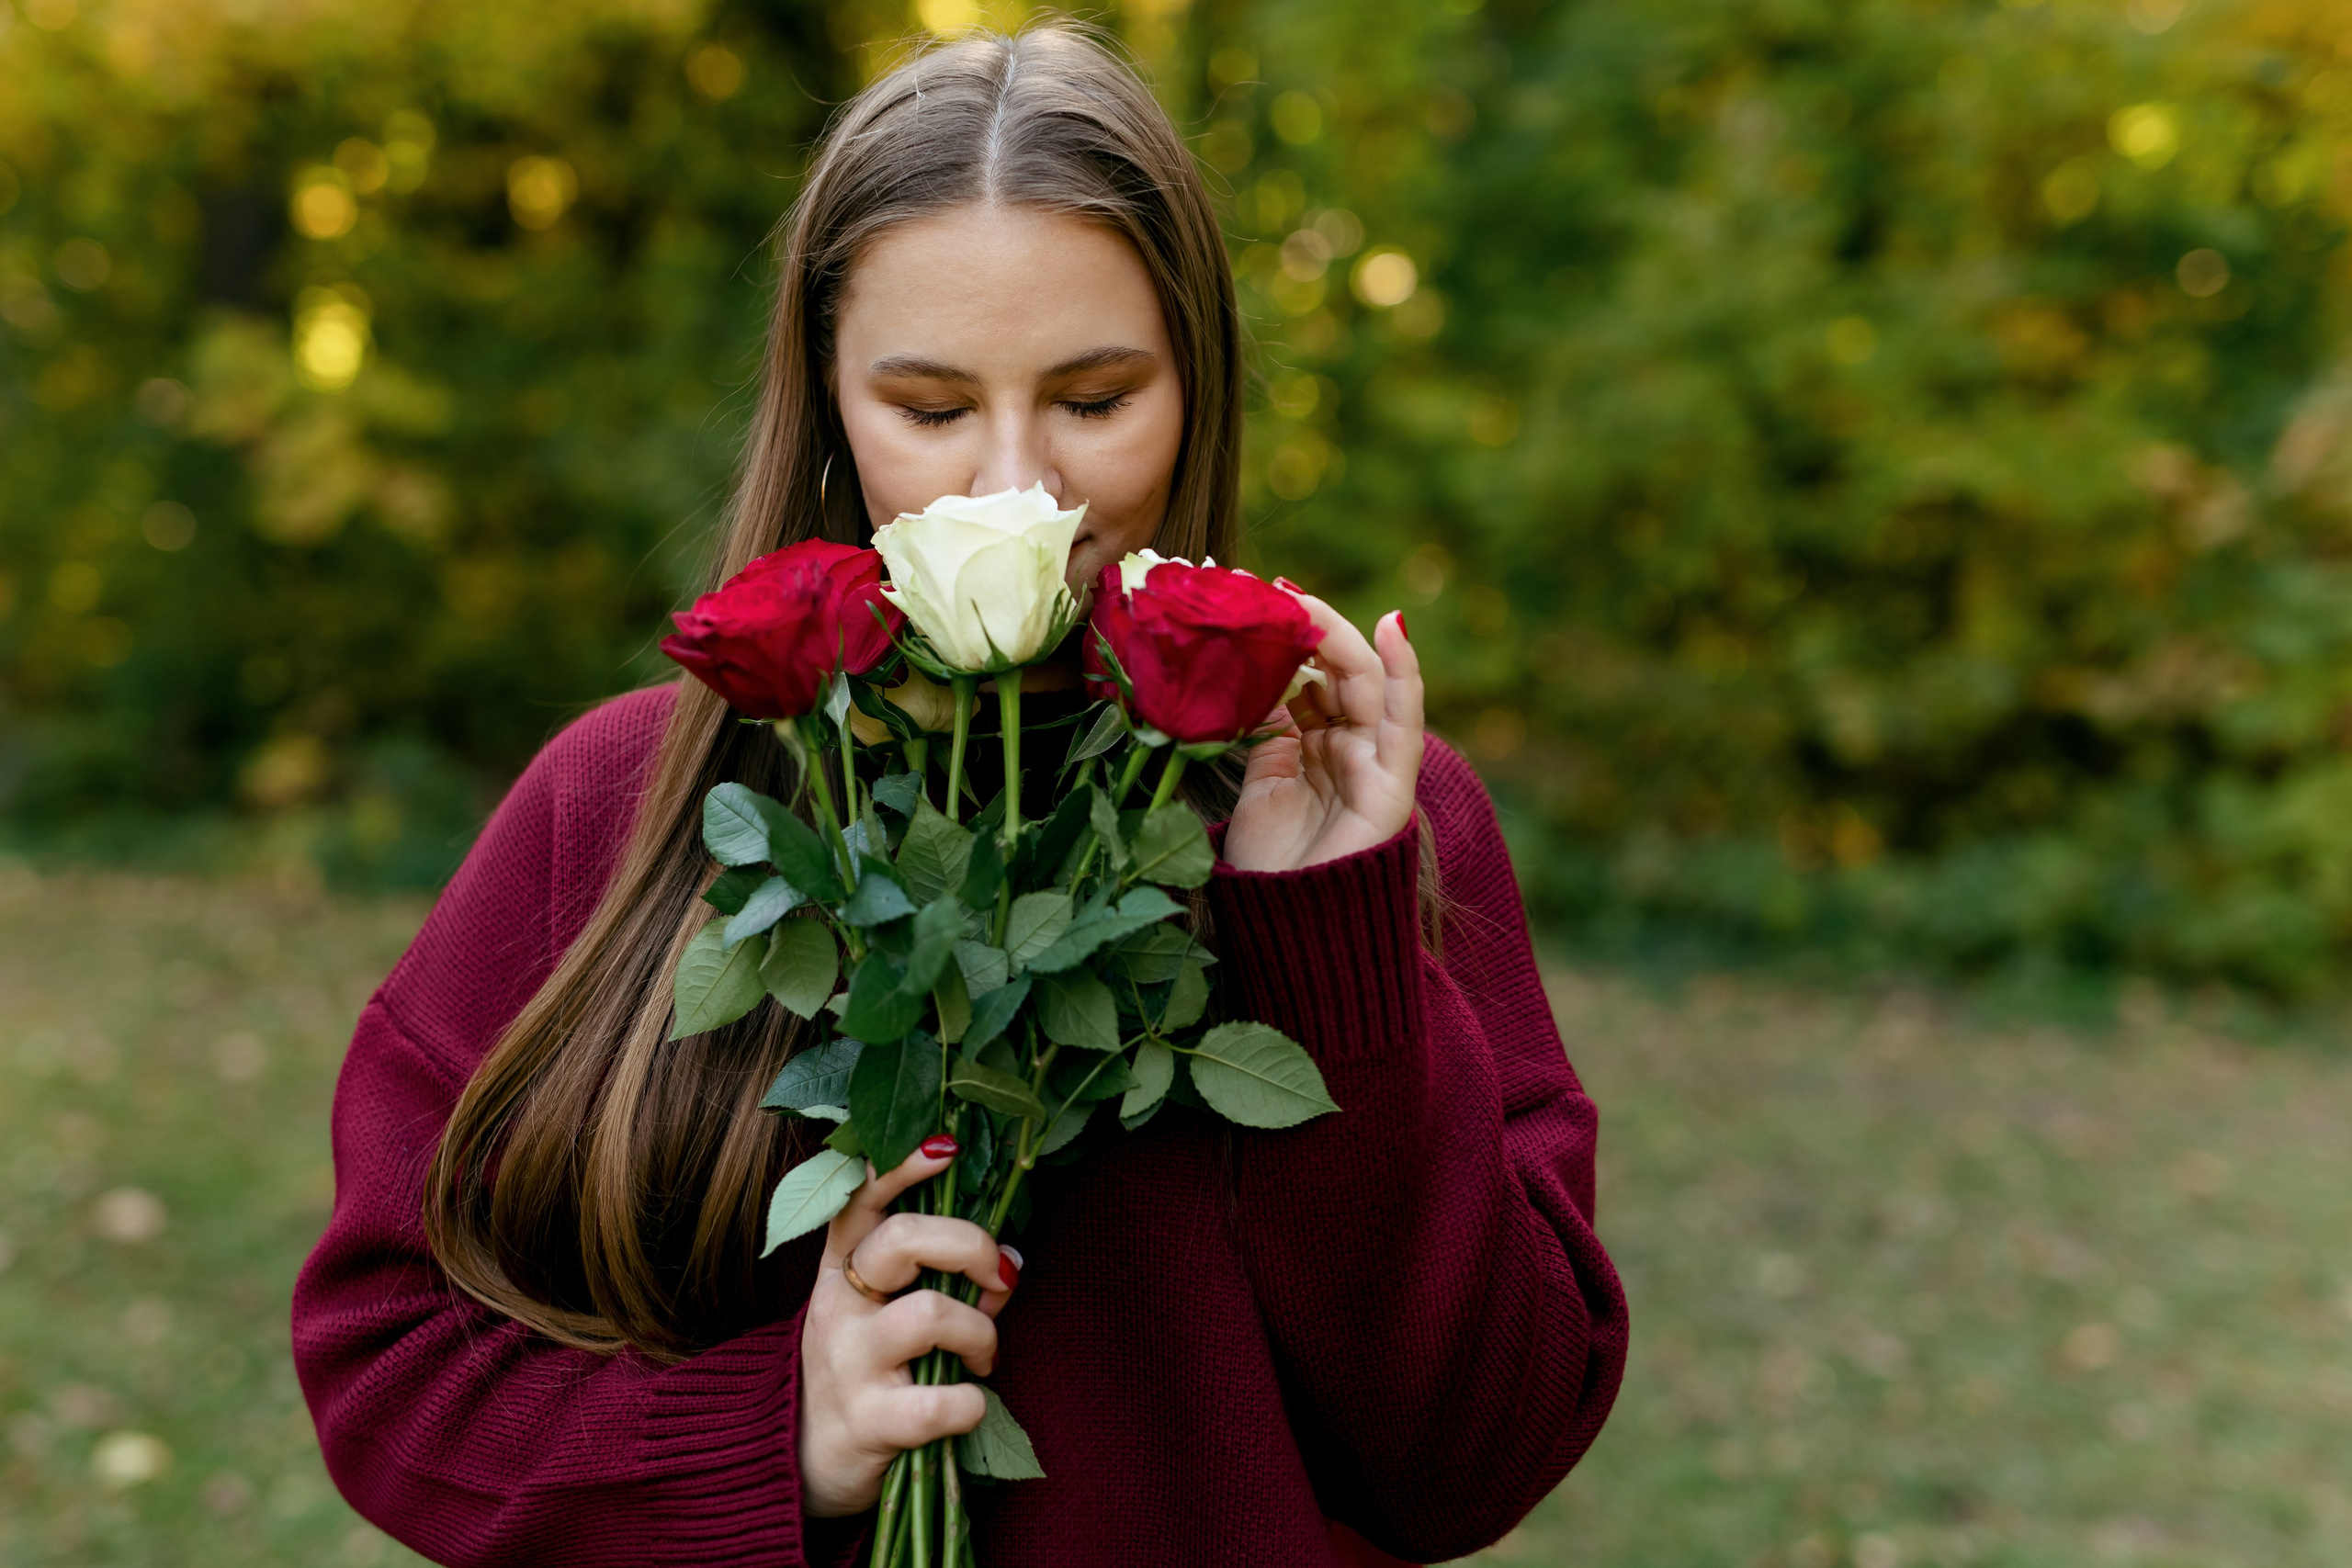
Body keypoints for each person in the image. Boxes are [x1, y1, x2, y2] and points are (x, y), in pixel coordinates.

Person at [291, 25, 1626, 1567]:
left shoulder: (1376, 821)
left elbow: (1475, 1460)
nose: (1016, 491)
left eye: (1095, 397)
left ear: (1196, 382)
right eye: (929, 410)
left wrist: (1330, 933)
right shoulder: (620, 808)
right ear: (826, 397)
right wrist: (770, 1443)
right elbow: (392, 1364)